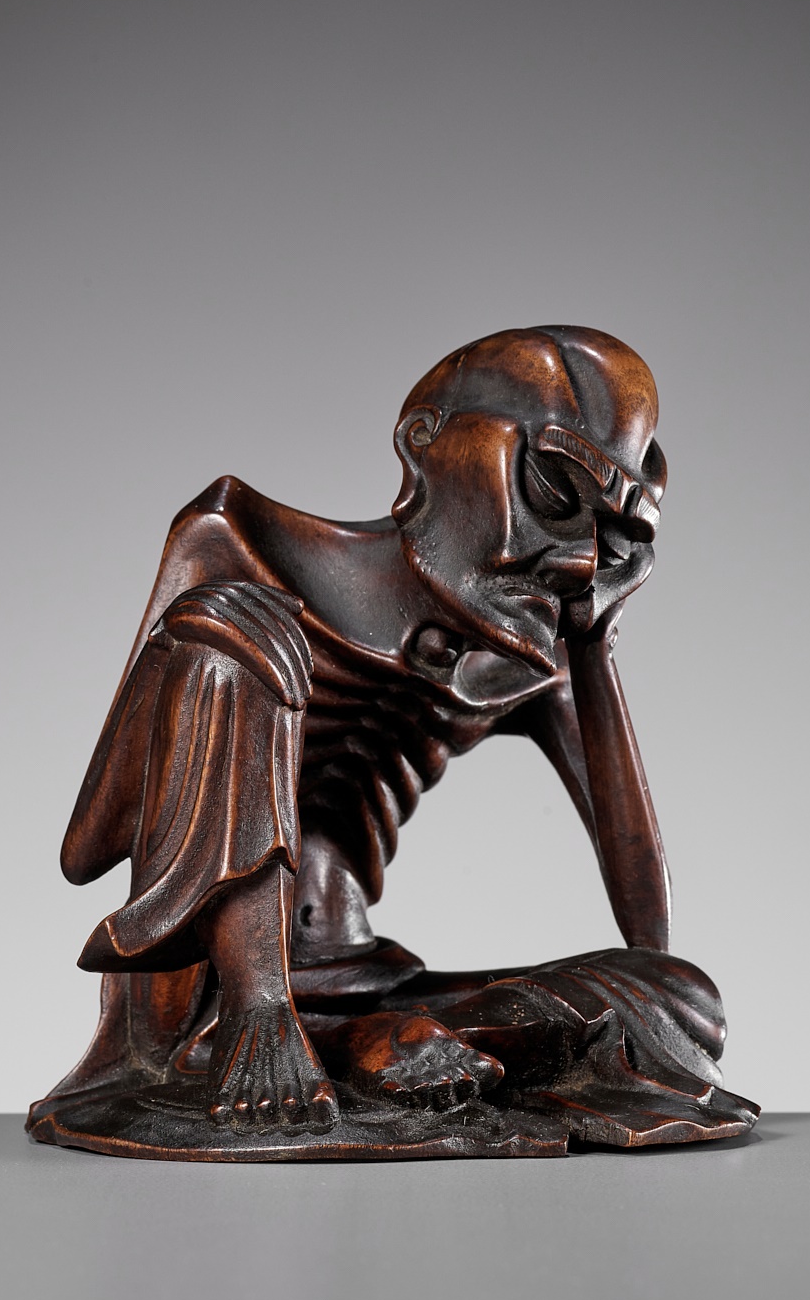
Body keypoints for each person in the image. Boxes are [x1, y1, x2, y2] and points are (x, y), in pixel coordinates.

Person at [36, 326, 748, 1147]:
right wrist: (200, 646)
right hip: (200, 995)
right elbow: (89, 847)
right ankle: (261, 1024)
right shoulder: (243, 545)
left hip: (369, 974)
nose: (582, 560)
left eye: (615, 533)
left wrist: (592, 649)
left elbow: (649, 935)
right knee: (234, 633)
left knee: (680, 998)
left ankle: (361, 1042)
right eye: (553, 491)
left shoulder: (519, 653)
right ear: (423, 443)